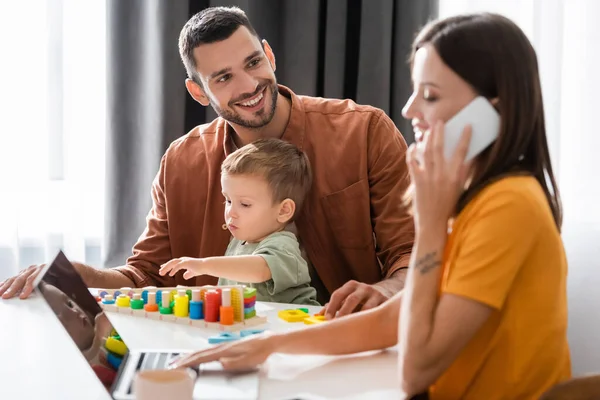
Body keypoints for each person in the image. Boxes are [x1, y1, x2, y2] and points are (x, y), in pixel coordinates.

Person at [169, 12, 571, 400]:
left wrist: (430, 225)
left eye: (429, 95)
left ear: (489, 113)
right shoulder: (478, 201)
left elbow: (416, 370)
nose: (409, 110)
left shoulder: (508, 207)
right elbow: (394, 319)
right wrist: (270, 346)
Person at [0, 6, 414, 318]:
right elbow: (150, 275)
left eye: (253, 63)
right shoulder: (182, 161)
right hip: (232, 349)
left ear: (269, 55)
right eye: (223, 77)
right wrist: (78, 273)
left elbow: (413, 253)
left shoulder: (364, 131)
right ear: (198, 93)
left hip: (353, 340)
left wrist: (390, 289)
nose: (249, 85)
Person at [159, 138, 319, 306]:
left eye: (245, 204)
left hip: (299, 325)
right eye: (228, 201)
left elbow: (258, 270)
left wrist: (204, 265)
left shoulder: (283, 246)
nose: (231, 213)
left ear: (283, 210)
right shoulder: (238, 244)